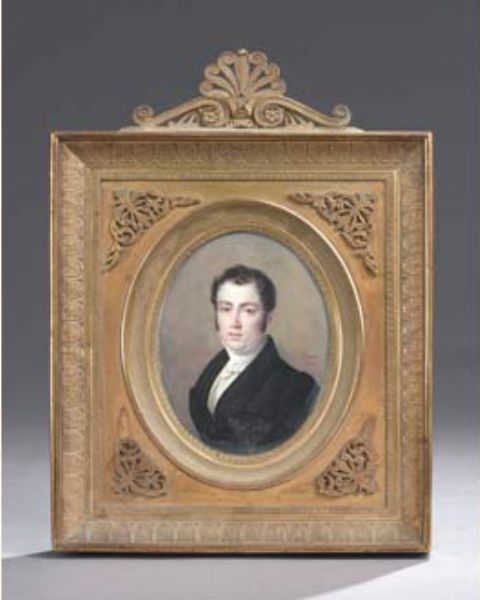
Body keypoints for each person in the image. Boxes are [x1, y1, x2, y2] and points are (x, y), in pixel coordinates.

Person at [189, 264, 318, 454]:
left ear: (268, 317)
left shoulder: (297, 388)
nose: (235, 322)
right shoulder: (210, 373)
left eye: (248, 311)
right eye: (226, 309)